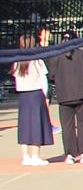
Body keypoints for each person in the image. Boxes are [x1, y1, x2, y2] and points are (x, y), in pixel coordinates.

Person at [50, 31, 83, 163]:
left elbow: (52, 76)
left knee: (67, 126)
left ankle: (70, 154)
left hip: (64, 95)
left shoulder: (56, 56)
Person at [12, 32, 54, 166]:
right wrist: (46, 96)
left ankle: (25, 157)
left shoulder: (17, 61)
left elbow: (16, 80)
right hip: (36, 95)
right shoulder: (37, 60)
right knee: (37, 125)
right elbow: (43, 81)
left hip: (23, 96)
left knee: (24, 126)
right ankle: (35, 156)